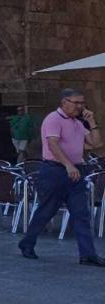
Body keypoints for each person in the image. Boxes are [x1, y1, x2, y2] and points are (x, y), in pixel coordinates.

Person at [19, 89, 105, 265]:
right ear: (64, 102)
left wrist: (91, 122)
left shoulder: (78, 123)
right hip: (55, 171)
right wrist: (68, 165)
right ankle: (27, 243)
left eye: (82, 103)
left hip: (76, 172)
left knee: (81, 213)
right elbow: (52, 144)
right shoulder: (53, 119)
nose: (80, 106)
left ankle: (87, 254)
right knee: (47, 210)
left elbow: (97, 144)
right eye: (76, 103)